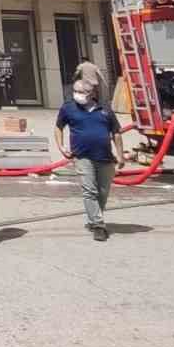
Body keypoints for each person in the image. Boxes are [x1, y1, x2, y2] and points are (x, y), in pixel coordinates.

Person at [55, 77, 125, 241]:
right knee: (89, 191)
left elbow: (116, 133)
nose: (77, 95)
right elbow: (58, 128)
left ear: (92, 93)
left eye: (82, 92)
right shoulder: (68, 108)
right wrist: (61, 147)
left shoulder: (105, 109)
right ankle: (98, 225)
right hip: (82, 156)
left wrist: (120, 155)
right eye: (76, 91)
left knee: (103, 192)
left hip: (105, 157)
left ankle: (95, 218)